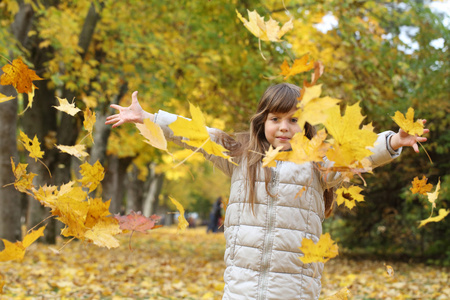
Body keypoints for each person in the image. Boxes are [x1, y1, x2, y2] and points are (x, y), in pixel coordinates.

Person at [105, 83, 428, 299]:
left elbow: (358, 154)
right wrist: (147, 118)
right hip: (242, 284)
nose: (284, 127)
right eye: (275, 118)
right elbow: (196, 133)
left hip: (295, 285)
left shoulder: (318, 162)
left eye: (293, 119)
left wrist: (392, 141)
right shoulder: (240, 154)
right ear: (263, 121)